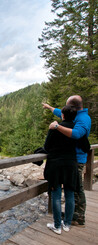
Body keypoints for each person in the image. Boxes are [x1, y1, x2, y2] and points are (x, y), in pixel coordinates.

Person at [43, 95, 91, 226]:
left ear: (72, 108)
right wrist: (49, 107)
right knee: (71, 192)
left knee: (76, 190)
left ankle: (78, 218)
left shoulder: (82, 120)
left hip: (75, 160)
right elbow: (61, 112)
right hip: (71, 161)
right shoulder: (74, 115)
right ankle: (68, 222)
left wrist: (56, 127)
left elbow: (76, 134)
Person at [43, 105, 79, 234]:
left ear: (62, 115)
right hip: (71, 165)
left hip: (56, 165)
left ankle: (57, 226)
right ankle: (67, 224)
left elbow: (46, 146)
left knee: (56, 195)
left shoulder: (55, 127)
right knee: (70, 195)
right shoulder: (77, 129)